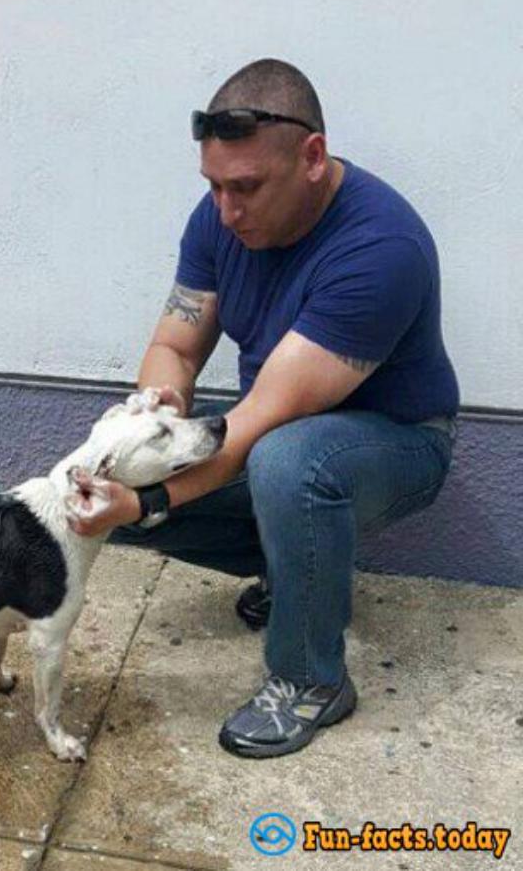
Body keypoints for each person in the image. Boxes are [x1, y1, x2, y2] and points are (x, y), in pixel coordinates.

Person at [68, 58, 459, 758]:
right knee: (112, 475)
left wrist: (147, 502)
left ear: (312, 157)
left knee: (286, 466)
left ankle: (312, 680)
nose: (226, 210)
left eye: (245, 187)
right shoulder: (221, 218)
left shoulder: (380, 249)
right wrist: (155, 410)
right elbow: (175, 347)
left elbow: (258, 426)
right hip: (282, 438)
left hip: (396, 445)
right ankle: (297, 572)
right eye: (214, 187)